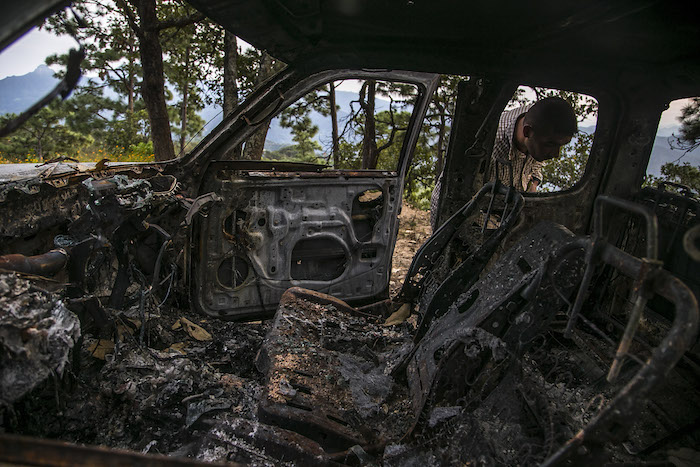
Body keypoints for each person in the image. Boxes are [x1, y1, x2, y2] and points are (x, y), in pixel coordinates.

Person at [430, 97, 578, 230]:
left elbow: (537, 162)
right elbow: (462, 203)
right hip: (463, 215)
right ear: (527, 132)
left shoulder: (538, 122)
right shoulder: (489, 147)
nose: (555, 154)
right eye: (550, 144)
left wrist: (533, 183)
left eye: (561, 145)